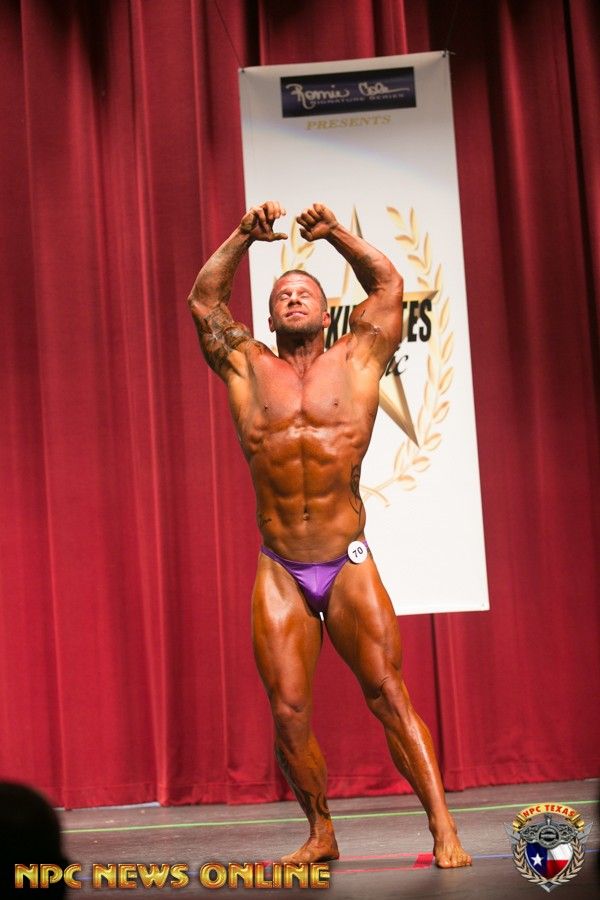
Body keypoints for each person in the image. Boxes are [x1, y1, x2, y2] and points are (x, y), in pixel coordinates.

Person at [188, 201, 471, 868]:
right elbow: (204, 302)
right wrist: (242, 236)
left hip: (347, 561)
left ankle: (444, 830)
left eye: (304, 293)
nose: (292, 297)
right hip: (280, 567)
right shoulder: (245, 366)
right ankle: (321, 832)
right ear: (268, 317)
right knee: (288, 712)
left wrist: (335, 234)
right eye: (281, 295)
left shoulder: (360, 355)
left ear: (325, 314)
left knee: (388, 694)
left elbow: (388, 285)